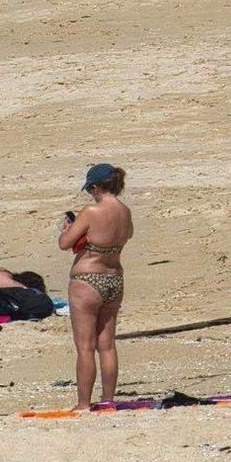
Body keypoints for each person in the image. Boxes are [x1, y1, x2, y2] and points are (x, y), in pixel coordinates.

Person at [58, 163, 133, 412]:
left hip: (87, 280)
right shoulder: (125, 212)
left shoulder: (91, 211)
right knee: (108, 345)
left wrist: (69, 229)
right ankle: (108, 399)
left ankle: (82, 403)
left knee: (85, 347)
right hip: (114, 278)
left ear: (95, 187)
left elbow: (64, 243)